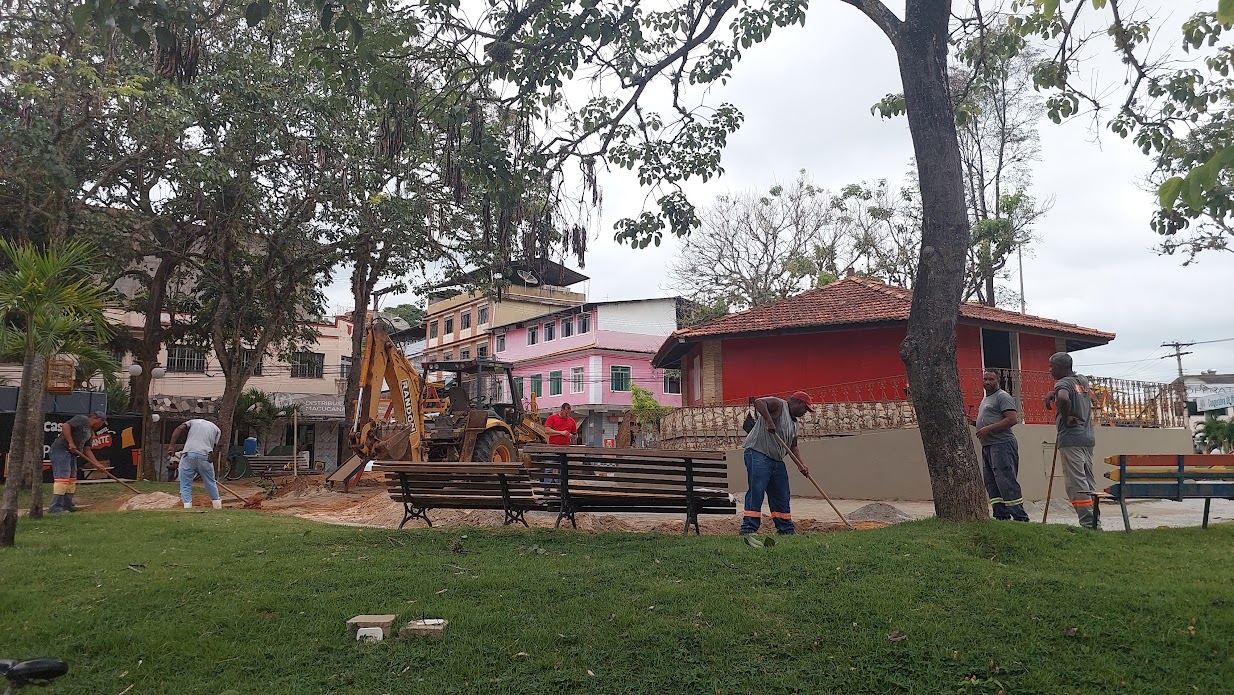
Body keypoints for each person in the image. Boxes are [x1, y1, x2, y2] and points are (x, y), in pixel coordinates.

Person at [739, 391, 814, 536]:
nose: (805, 412)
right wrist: (769, 421)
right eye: (805, 408)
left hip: (777, 460)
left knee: (781, 493)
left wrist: (800, 464)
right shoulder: (779, 405)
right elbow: (759, 402)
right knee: (757, 490)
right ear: (798, 402)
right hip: (758, 453)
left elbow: (793, 446)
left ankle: (785, 529)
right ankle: (748, 528)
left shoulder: (795, 425)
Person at [1045, 352, 1100, 529]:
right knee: (1089, 482)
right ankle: (1095, 521)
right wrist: (1053, 394)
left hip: (1071, 439)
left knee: (1076, 484)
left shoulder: (1062, 383)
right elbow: (1064, 394)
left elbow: (1063, 398)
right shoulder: (1082, 380)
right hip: (1087, 437)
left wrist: (1066, 416)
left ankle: (1088, 524)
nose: (1050, 370)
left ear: (1060, 367)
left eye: (1051, 366)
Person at [975, 371, 1029, 521]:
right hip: (988, 445)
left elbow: (1012, 419)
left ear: (998, 380)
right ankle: (1001, 515)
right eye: (985, 379)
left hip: (1002, 444)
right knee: (991, 481)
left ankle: (1020, 517)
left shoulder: (1002, 396)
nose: (987, 382)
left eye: (991, 379)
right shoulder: (986, 399)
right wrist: (974, 423)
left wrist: (988, 429)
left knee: (1006, 480)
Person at [47, 411, 108, 513]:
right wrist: (71, 443)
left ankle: (67, 505)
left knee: (71, 479)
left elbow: (87, 449)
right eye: (102, 423)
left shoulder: (90, 432)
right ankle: (55, 507)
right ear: (99, 420)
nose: (100, 426)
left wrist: (97, 464)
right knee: (62, 479)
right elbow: (66, 426)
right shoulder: (82, 419)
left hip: (72, 454)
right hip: (61, 450)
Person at [166, 418, 223, 510]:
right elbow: (216, 447)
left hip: (189, 454)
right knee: (210, 482)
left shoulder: (193, 422)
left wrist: (171, 446)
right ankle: (217, 506)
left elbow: (179, 428)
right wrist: (212, 459)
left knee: (185, 483)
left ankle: (187, 506)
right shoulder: (217, 429)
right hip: (205, 455)